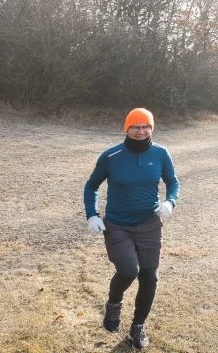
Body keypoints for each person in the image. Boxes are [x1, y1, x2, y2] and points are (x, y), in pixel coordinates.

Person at [83, 108, 180, 350]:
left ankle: (137, 328)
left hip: (149, 224)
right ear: (127, 128)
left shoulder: (161, 154)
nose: (141, 131)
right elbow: (91, 185)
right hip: (118, 225)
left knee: (149, 277)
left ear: (151, 128)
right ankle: (114, 304)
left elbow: (173, 182)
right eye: (135, 126)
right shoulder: (111, 156)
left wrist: (170, 202)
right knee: (128, 270)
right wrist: (92, 214)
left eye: (145, 126)